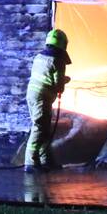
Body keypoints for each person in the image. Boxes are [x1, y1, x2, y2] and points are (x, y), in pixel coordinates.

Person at [24, 28, 71, 172]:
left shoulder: (39, 56)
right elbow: (59, 86)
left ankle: (46, 161)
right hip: (42, 97)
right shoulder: (58, 60)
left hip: (32, 95)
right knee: (39, 128)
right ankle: (30, 163)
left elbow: (45, 75)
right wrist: (65, 80)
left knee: (44, 128)